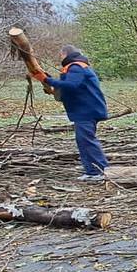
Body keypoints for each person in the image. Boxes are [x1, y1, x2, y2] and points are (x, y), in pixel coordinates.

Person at [33, 45, 110, 181]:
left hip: (87, 111)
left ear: (65, 54)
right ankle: (91, 170)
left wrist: (45, 79)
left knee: (86, 140)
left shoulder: (76, 67)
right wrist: (52, 88)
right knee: (83, 140)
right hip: (84, 110)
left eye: (60, 55)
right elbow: (68, 90)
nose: (60, 58)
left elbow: (71, 85)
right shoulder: (76, 68)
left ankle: (99, 171)